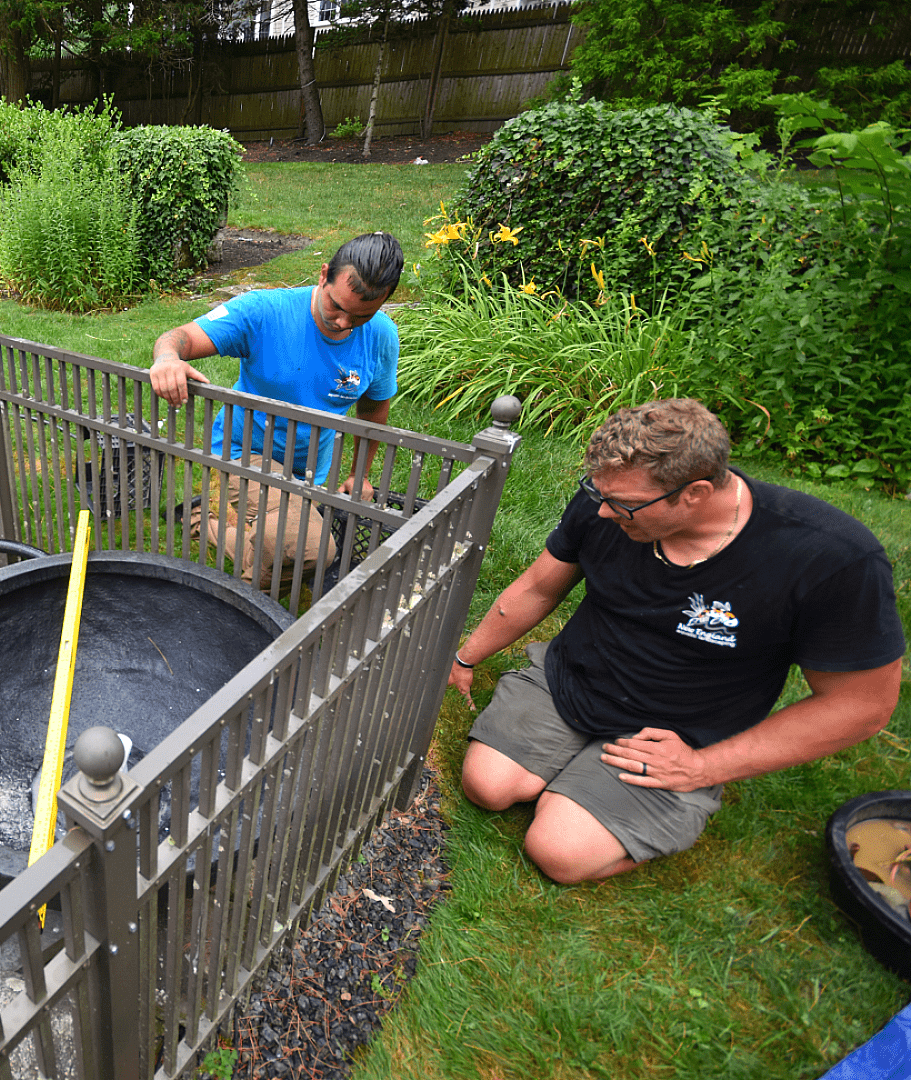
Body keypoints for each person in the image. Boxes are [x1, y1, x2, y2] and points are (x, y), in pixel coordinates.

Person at [450, 399, 904, 884]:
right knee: (488, 786)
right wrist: (464, 656)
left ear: (695, 494)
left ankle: (652, 798)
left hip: (685, 732)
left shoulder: (830, 559)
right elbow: (540, 586)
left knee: (557, 851)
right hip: (574, 680)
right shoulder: (610, 500)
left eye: (622, 504)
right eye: (598, 492)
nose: (602, 511)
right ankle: (578, 781)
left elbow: (861, 706)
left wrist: (702, 766)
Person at [148, 232, 403, 588]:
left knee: (283, 544)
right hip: (243, 450)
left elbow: (373, 411)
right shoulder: (264, 311)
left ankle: (206, 524)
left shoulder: (381, 336)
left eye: (361, 316)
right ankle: (248, 604)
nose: (344, 323)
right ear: (323, 274)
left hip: (311, 466)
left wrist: (360, 474)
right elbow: (180, 337)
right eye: (337, 307)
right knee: (311, 548)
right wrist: (167, 358)